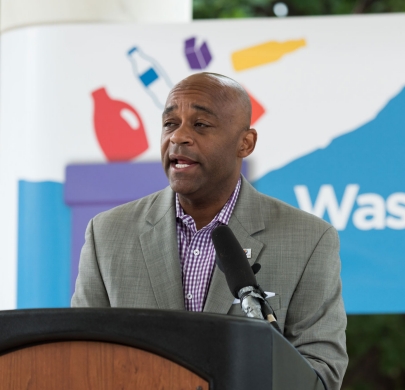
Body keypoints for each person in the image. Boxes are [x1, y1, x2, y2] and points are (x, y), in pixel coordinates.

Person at [72, 72, 348, 389]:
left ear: (245, 143)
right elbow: (83, 359)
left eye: (200, 125)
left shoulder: (309, 239)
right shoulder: (106, 233)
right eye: (170, 124)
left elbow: (321, 376)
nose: (179, 137)